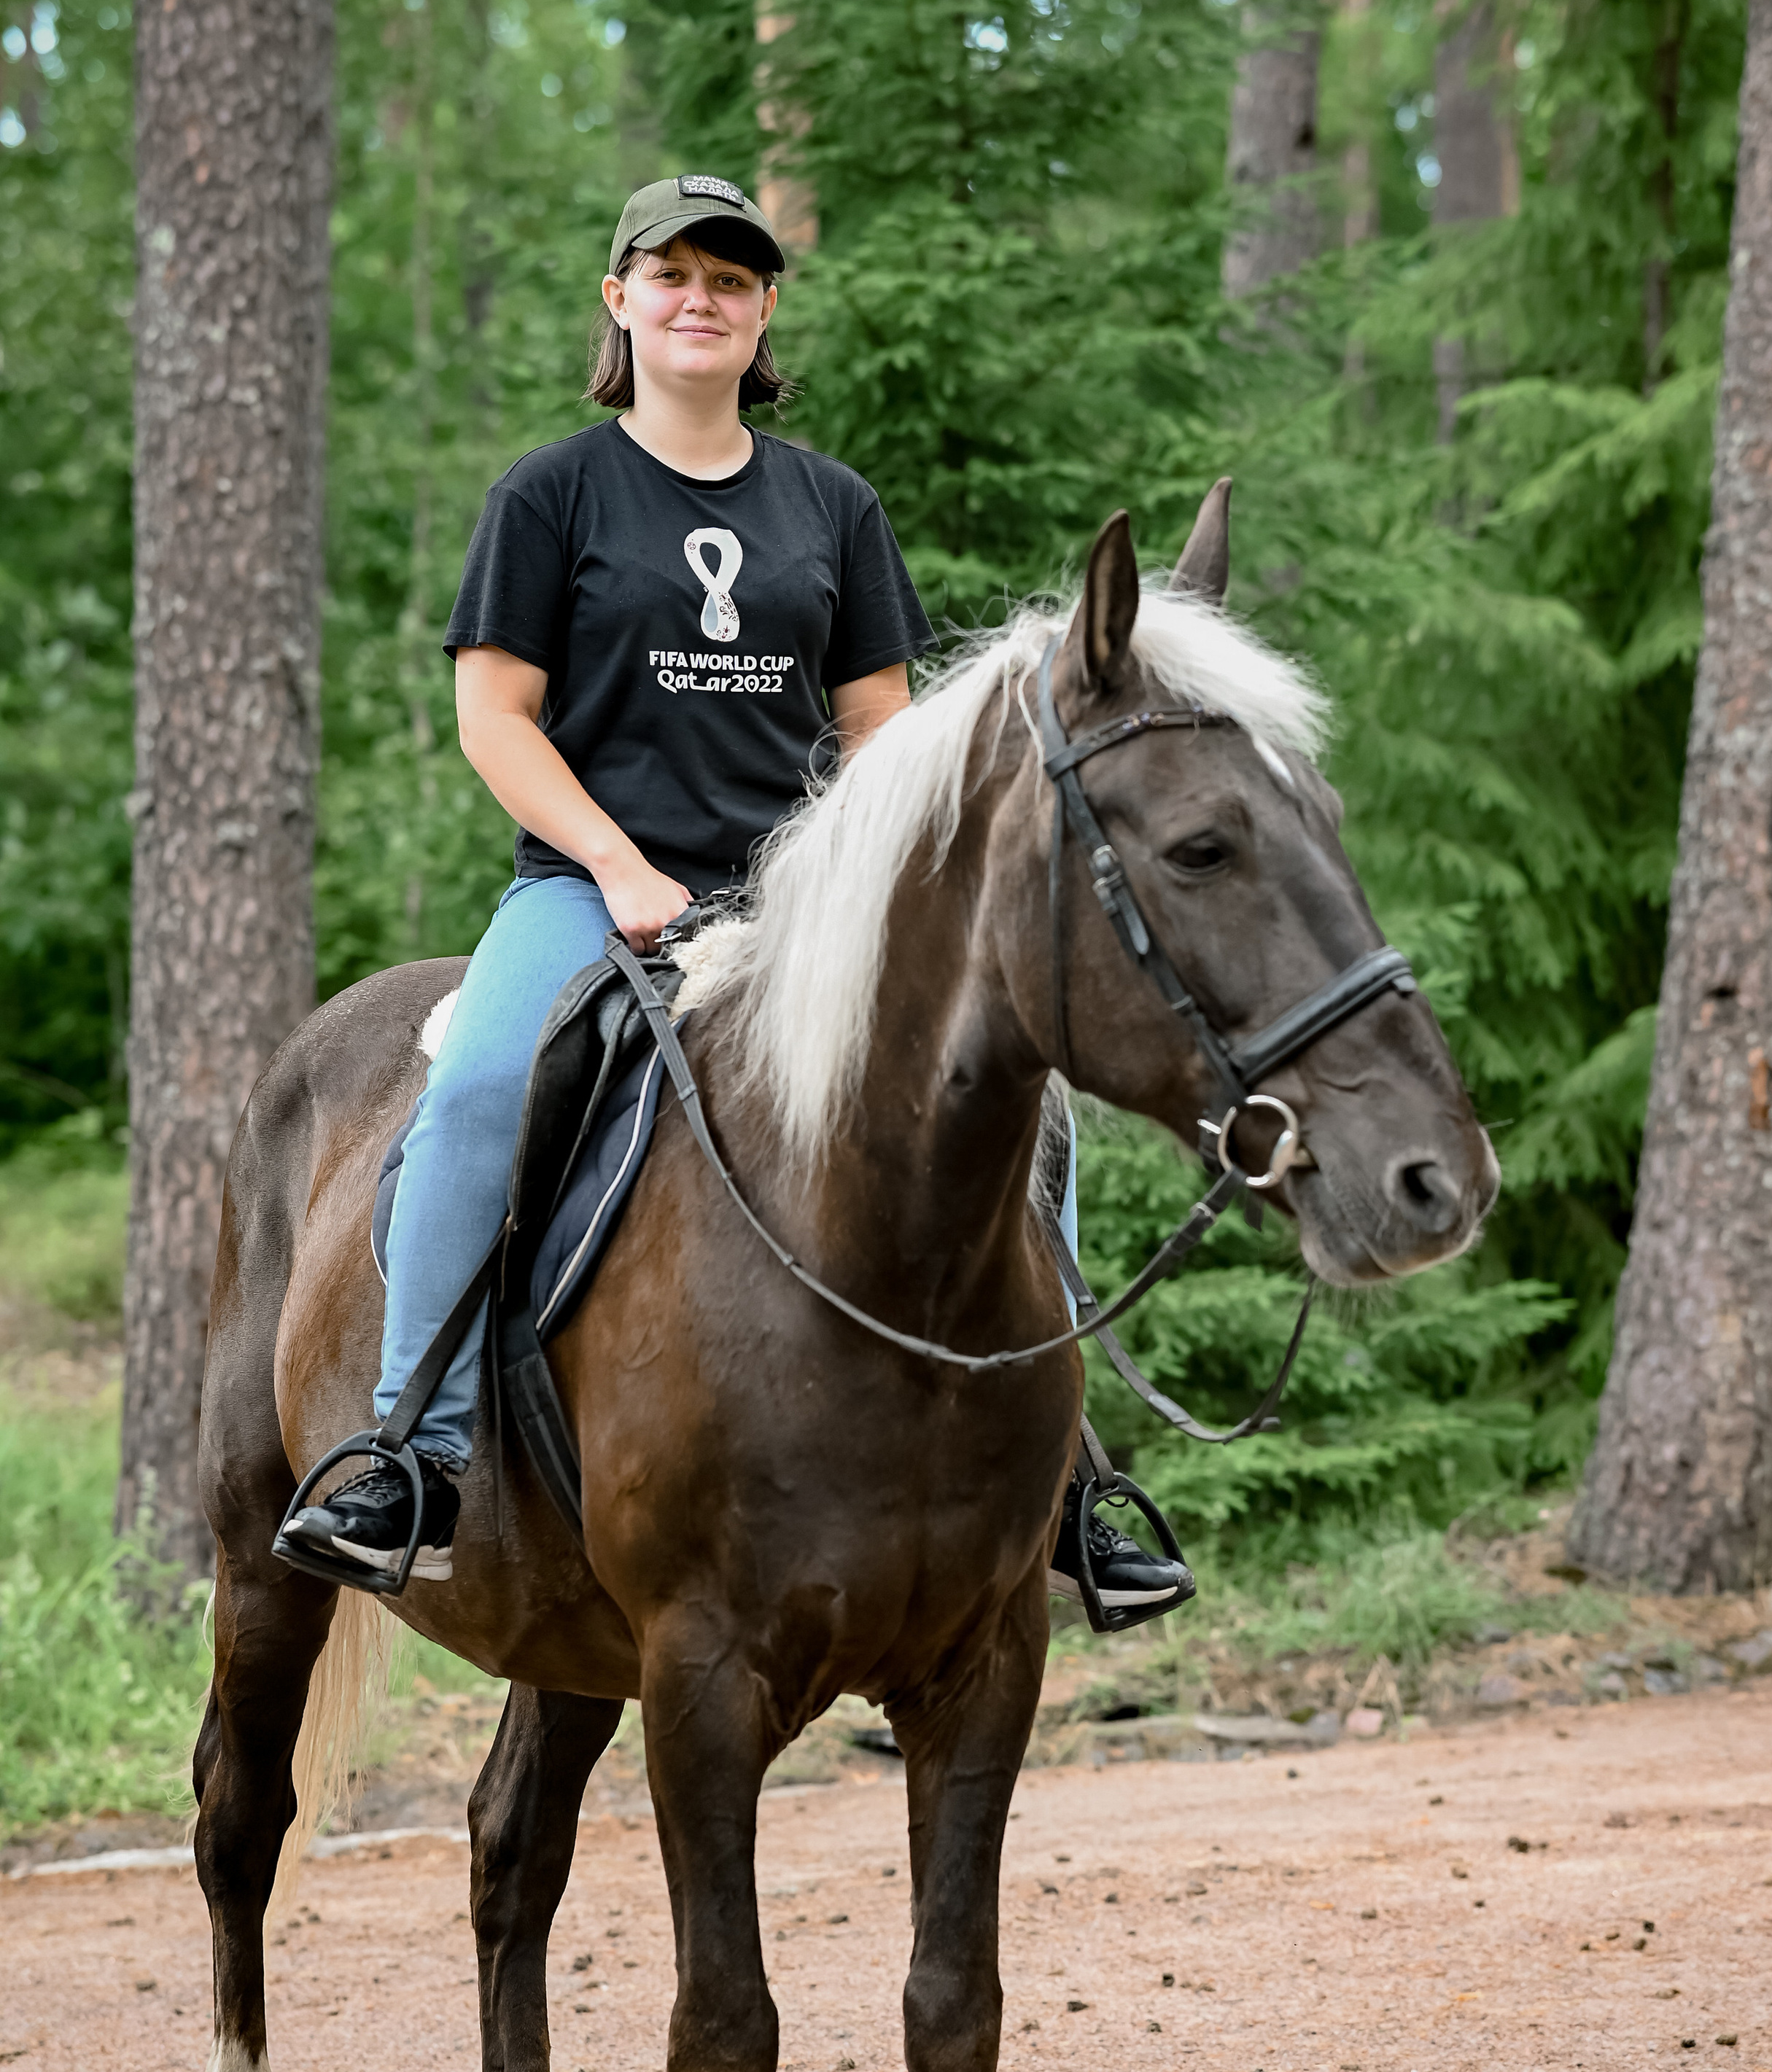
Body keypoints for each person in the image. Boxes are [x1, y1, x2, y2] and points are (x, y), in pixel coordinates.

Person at [281, 172, 1190, 1622]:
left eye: (730, 279)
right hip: (590, 895)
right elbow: (496, 722)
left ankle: (1070, 1481)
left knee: (1031, 1115)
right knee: (480, 1089)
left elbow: (881, 732)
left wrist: (868, 894)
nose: (698, 299)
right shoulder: (551, 494)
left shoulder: (833, 506)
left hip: (802, 912)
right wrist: (618, 865)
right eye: (671, 274)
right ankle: (409, 1458)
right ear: (620, 300)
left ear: (765, 311)